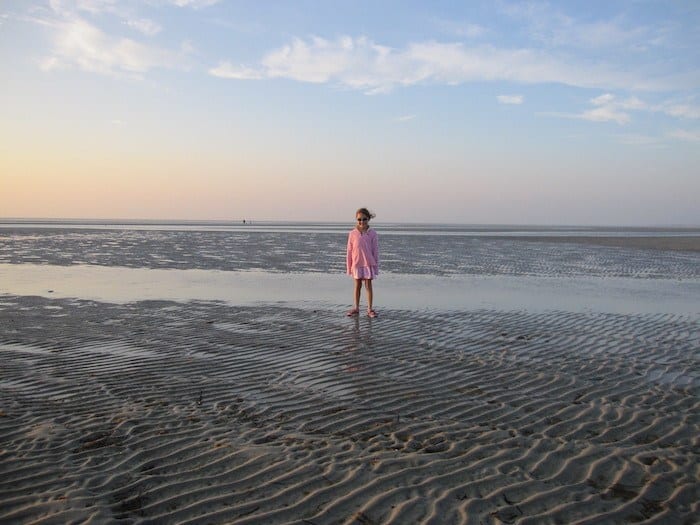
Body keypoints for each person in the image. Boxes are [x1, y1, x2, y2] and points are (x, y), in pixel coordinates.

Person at [346, 208, 379, 318]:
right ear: (356, 219)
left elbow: (375, 251)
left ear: (368, 219)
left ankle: (369, 309)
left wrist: (375, 266)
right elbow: (349, 251)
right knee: (357, 285)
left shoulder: (372, 233)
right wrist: (349, 266)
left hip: (368, 263)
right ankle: (356, 307)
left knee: (368, 285)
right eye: (359, 219)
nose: (362, 221)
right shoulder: (352, 233)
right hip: (356, 264)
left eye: (364, 219)